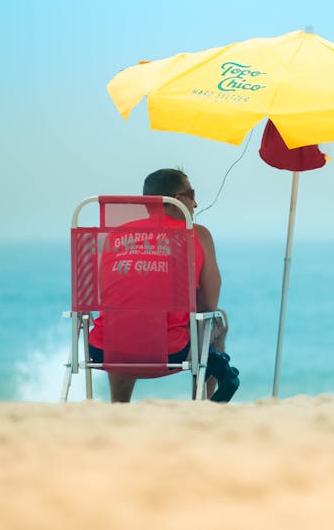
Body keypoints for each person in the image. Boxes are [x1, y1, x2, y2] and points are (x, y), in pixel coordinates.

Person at [88, 168, 239, 404]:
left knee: (123, 318)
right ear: (177, 199)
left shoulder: (116, 234)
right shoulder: (196, 235)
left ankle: (118, 406)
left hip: (104, 350)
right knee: (215, 319)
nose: (196, 204)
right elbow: (208, 303)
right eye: (192, 194)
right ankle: (203, 405)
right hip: (169, 352)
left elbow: (112, 293)